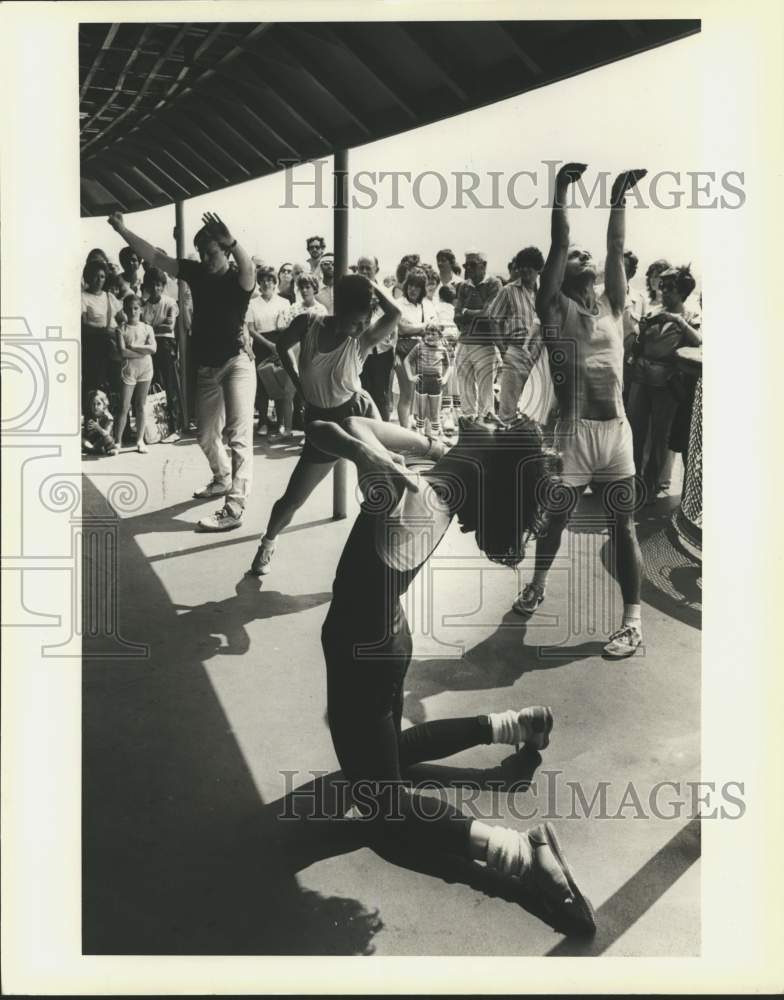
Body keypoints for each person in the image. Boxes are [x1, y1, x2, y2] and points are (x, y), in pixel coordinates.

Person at [303, 413, 596, 936]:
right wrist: (431, 445)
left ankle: (521, 854)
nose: (483, 418)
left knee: (381, 805)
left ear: (480, 459)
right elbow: (359, 421)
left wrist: (368, 455)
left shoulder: (406, 493)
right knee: (390, 754)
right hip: (389, 639)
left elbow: (327, 428)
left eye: (489, 426)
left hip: (357, 653)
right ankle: (513, 725)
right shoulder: (433, 487)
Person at [512, 163, 647, 660]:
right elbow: (560, 244)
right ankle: (537, 584)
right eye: (575, 257)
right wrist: (561, 189)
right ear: (561, 274)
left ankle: (632, 622)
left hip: (616, 433)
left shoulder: (614, 303)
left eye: (583, 256)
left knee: (623, 526)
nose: (583, 255)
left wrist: (618, 195)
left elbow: (613, 246)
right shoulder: (553, 309)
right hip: (572, 435)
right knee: (555, 522)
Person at [107, 209, 256, 531]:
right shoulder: (198, 272)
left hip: (236, 363)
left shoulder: (238, 279)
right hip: (207, 367)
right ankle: (221, 478)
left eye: (212, 252)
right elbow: (157, 257)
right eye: (202, 253)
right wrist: (123, 230)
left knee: (239, 436)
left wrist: (231, 240)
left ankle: (235, 506)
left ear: (226, 251)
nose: (206, 258)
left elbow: (248, 268)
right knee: (204, 434)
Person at [249, 274, 400, 576]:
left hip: (358, 415)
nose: (361, 329)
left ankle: (382, 560)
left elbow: (395, 314)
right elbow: (282, 348)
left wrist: (368, 281)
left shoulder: (363, 340)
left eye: (365, 322)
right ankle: (267, 542)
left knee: (379, 490)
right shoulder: (308, 323)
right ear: (339, 310)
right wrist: (297, 382)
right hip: (321, 422)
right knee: (292, 499)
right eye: (356, 321)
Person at [627, 266, 702, 501]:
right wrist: (641, 331)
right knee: (635, 430)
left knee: (661, 435)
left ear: (682, 292)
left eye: (669, 288)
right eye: (662, 287)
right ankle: (634, 480)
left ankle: (652, 483)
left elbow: (699, 341)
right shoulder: (654, 311)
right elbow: (639, 342)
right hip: (642, 374)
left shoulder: (691, 315)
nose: (663, 292)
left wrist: (676, 321)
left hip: (667, 380)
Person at [488, 246, 552, 426]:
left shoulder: (546, 293)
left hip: (541, 355)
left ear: (538, 268)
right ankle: (505, 449)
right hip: (516, 351)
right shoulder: (508, 291)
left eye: (530, 266)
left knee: (536, 406)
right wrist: (502, 350)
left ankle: (531, 448)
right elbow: (494, 320)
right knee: (508, 406)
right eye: (522, 266)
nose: (525, 270)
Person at [454, 252, 503, 422]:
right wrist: (474, 314)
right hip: (464, 342)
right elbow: (456, 316)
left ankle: (485, 425)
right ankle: (469, 425)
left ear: (484, 265)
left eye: (472, 265)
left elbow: (489, 314)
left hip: (484, 343)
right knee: (465, 388)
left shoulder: (494, 283)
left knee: (485, 390)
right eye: (466, 265)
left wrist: (467, 312)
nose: (468, 269)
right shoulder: (462, 287)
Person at [246, 266, 290, 436]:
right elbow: (251, 329)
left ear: (274, 282)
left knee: (280, 383)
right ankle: (263, 422)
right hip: (261, 345)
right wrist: (268, 345)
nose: (266, 283)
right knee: (262, 386)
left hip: (279, 345)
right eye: (263, 280)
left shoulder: (284, 302)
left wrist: (277, 346)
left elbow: (286, 326)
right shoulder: (252, 303)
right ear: (259, 283)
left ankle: (280, 423)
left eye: (270, 280)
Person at [394, 268, 439, 430]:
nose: (413, 289)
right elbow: (402, 330)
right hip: (403, 353)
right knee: (406, 395)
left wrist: (415, 328)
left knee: (423, 395)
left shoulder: (427, 305)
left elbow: (434, 329)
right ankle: (405, 433)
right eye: (411, 285)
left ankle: (426, 433)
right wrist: (422, 327)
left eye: (418, 286)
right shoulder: (398, 304)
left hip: (424, 353)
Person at [142, 266, 182, 442]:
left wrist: (151, 327)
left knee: (171, 384)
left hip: (166, 344)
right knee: (154, 385)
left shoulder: (170, 301)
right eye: (153, 285)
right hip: (150, 346)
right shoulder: (144, 304)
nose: (156, 288)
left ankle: (176, 427)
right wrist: (154, 327)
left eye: (159, 285)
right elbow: (142, 327)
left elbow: (169, 326)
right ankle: (158, 428)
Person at [112, 294, 156, 453]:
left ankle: (139, 441)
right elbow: (123, 352)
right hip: (129, 370)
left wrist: (135, 347)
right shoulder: (121, 329)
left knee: (141, 405)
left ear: (141, 309)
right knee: (124, 407)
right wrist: (142, 351)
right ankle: (117, 442)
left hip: (146, 369)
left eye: (136, 308)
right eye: (129, 309)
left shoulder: (147, 328)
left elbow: (153, 348)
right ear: (124, 310)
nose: (133, 311)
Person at [358, 255, 397, 422]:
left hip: (382, 352)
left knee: (381, 395)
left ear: (377, 270)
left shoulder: (386, 294)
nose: (365, 271)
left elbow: (394, 322)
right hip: (359, 352)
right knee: (361, 393)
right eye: (362, 268)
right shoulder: (354, 294)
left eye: (369, 268)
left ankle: (384, 432)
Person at [81, 259, 122, 410]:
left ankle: (116, 427)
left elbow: (122, 318)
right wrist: (104, 329)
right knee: (96, 387)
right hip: (94, 348)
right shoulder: (83, 297)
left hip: (112, 345)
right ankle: (95, 426)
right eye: (95, 276)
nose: (99, 280)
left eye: (103, 276)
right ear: (88, 277)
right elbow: (84, 324)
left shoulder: (109, 296)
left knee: (115, 385)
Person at [403, 323, 452, 438]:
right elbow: (407, 360)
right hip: (422, 382)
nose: (429, 336)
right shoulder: (419, 347)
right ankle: (420, 438)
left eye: (433, 334)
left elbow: (449, 366)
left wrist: (445, 378)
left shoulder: (443, 350)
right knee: (421, 413)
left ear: (440, 336)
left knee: (434, 414)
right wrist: (411, 376)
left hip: (436, 383)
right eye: (427, 334)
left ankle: (434, 438)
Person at [621, 250, 646, 407]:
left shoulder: (640, 299)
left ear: (632, 272)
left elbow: (641, 333)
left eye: (623, 266)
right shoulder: (597, 293)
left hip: (627, 363)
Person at [82, 389, 118, 456]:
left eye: (98, 404)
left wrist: (97, 427)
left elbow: (106, 433)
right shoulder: (89, 415)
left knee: (108, 438)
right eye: (93, 404)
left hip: (104, 440)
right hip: (93, 440)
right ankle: (93, 449)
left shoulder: (108, 417)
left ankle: (110, 449)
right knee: (81, 439)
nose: (95, 407)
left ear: (104, 405)